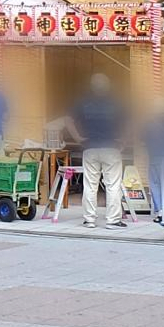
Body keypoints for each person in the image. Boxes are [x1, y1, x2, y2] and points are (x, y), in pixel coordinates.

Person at [70, 71, 129, 228]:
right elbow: (129, 123)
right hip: (111, 147)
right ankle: (112, 220)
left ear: (92, 86)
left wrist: (78, 138)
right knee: (113, 185)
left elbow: (69, 120)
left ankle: (89, 219)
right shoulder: (116, 102)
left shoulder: (83, 102)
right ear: (108, 86)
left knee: (90, 185)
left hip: (90, 148)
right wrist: (124, 140)